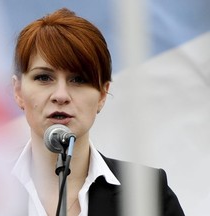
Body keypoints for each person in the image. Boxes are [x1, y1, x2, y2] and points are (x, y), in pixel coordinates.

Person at [11, 8, 185, 216]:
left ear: (103, 94)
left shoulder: (146, 192)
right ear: (18, 91)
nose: (61, 95)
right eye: (43, 78)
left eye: (79, 79)